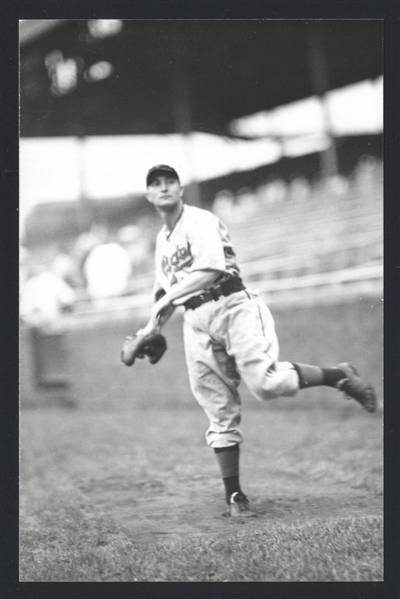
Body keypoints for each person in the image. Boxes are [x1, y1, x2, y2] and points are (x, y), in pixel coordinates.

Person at [138, 164, 377, 518]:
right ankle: (234, 495)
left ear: (180, 187)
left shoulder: (199, 220)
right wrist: (151, 330)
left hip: (232, 305)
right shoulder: (162, 239)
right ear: (148, 195)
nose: (163, 187)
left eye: (169, 181)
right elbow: (166, 291)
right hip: (196, 321)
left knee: (266, 385)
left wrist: (159, 307)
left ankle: (338, 375)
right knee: (216, 406)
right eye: (155, 184)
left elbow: (210, 271)